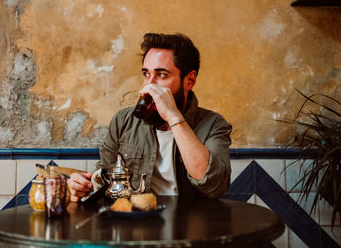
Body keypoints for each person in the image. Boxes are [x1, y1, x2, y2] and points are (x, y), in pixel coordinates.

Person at [68, 33, 232, 202]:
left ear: (189, 81)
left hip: (191, 225)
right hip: (136, 223)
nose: (149, 85)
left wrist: (173, 116)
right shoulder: (123, 121)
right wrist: (83, 188)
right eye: (146, 74)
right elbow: (104, 183)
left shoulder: (214, 124)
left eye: (161, 75)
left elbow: (214, 186)